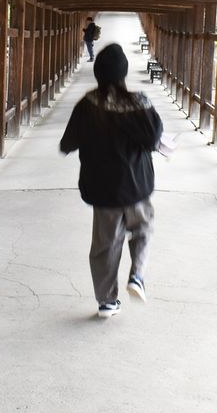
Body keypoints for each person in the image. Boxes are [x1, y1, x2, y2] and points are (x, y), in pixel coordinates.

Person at [59, 44, 164, 318]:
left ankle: (106, 301)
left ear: (98, 74)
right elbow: (154, 138)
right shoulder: (139, 103)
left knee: (106, 244)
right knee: (143, 228)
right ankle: (137, 275)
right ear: (123, 73)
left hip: (102, 188)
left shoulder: (87, 105)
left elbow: (67, 143)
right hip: (136, 185)